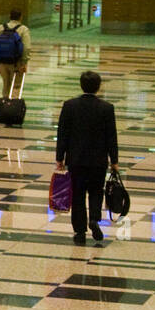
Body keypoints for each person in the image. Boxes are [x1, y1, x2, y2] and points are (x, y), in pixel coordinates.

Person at [55, 71, 120, 245]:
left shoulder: (70, 106)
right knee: (96, 191)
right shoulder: (107, 108)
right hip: (98, 161)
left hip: (76, 160)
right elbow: (111, 137)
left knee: (77, 195)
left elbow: (62, 133)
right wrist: (114, 161)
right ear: (98, 87)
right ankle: (94, 219)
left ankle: (79, 232)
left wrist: (60, 157)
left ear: (81, 85)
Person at [0, 8, 32, 97]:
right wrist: (24, 63)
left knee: (6, 85)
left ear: (9, 16)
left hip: (2, 63)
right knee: (16, 86)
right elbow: (26, 48)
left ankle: (5, 102)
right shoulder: (23, 29)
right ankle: (13, 103)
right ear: (21, 17)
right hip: (17, 64)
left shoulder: (1, 28)